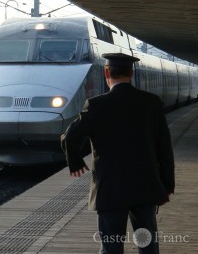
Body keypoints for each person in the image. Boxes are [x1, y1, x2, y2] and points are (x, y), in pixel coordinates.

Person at [60, 53, 175, 254]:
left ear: (106, 72)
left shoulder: (96, 105)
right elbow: (164, 148)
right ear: (131, 73)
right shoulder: (151, 103)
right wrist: (166, 186)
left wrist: (76, 161)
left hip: (110, 190)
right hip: (145, 187)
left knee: (111, 246)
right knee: (148, 244)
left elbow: (69, 137)